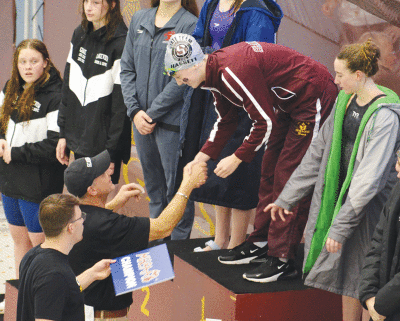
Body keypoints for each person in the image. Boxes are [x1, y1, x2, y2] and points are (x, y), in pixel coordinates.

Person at [164, 33, 338, 279]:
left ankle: (282, 257)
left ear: (193, 64)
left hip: (312, 96)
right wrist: (201, 158)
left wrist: (236, 157)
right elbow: (226, 120)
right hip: (285, 103)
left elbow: (263, 122)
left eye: (179, 75)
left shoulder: (230, 71)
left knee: (290, 177)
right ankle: (260, 242)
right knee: (268, 171)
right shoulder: (211, 75)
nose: (179, 82)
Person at [267, 40, 400, 320]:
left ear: (359, 75)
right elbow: (318, 153)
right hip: (343, 201)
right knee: (345, 275)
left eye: (340, 75)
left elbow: (368, 180)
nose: (335, 80)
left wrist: (339, 228)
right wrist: (288, 196)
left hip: (369, 209)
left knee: (367, 277)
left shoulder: (386, 116)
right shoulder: (345, 100)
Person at [184, 0, 282, 252]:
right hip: (218, 87)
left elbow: (256, 57)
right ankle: (220, 239)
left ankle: (237, 243)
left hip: (246, 95)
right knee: (219, 169)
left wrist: (214, 59)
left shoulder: (256, 12)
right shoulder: (212, 4)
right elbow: (197, 39)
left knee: (240, 174)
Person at [65, 150, 207, 320]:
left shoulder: (72, 214)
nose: (109, 171)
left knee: (164, 256)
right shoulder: (106, 225)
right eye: (102, 173)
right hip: (105, 315)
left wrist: (116, 202)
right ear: (92, 190)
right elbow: (164, 227)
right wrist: (187, 185)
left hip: (89, 304)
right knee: (170, 257)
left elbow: (96, 220)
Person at [120, 0, 198, 240]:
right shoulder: (139, 19)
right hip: (141, 122)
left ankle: (178, 256)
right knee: (155, 193)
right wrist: (134, 112)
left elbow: (183, 79)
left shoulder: (189, 24)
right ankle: (158, 253)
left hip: (171, 126)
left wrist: (152, 113)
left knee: (177, 193)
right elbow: (126, 68)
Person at [0, 39, 65, 278]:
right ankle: (21, 296)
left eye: (34, 61)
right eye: (22, 62)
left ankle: (40, 297)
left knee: (39, 247)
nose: (27, 67)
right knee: (19, 242)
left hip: (38, 183)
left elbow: (53, 146)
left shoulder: (56, 96)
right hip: (10, 180)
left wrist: (15, 153)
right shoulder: (10, 88)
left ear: (46, 63)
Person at [56, 0, 131, 184]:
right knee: (81, 203)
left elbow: (121, 106)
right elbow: (67, 88)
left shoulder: (122, 42)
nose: (88, 7)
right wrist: (63, 134)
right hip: (77, 139)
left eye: (96, 2)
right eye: (86, 1)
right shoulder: (79, 34)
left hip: (104, 146)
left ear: (113, 5)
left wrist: (111, 153)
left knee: (99, 205)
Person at [17, 193, 114, 321]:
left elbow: (62, 291)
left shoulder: (32, 255)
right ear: (71, 227)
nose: (84, 221)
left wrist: (92, 274)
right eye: (81, 217)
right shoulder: (54, 274)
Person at [359, 150, 400, 321]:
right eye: (398, 163)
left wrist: (381, 304)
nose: (397, 172)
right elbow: (378, 243)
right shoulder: (397, 191)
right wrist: (369, 294)